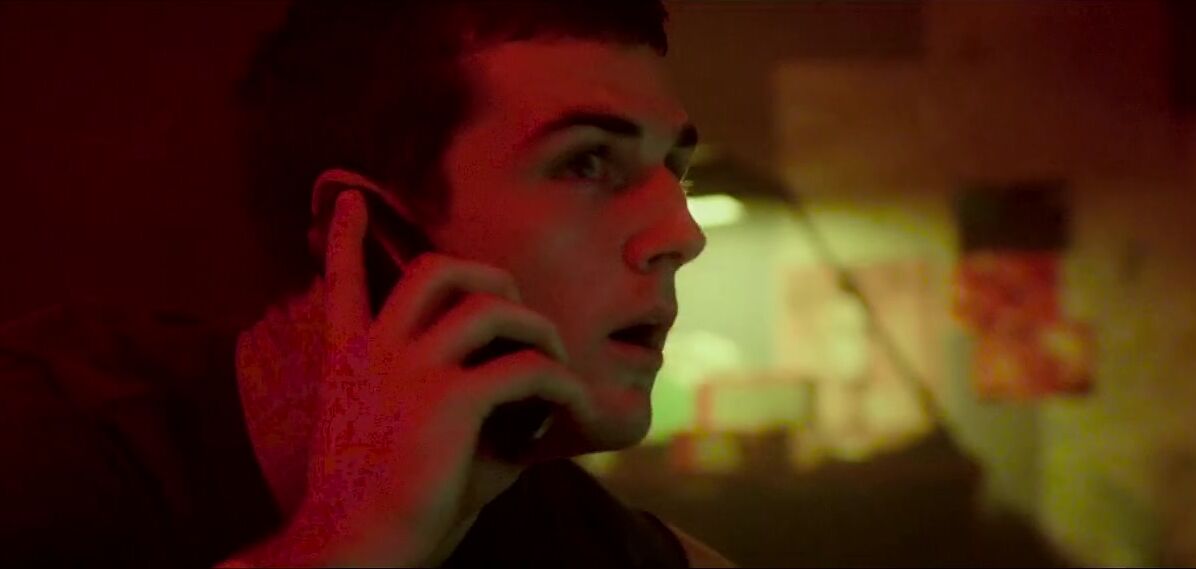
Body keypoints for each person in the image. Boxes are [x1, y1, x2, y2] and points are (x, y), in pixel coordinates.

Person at [0, 1, 734, 566]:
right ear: (370, 233)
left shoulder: (542, 512)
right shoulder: (42, 447)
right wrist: (356, 540)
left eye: (677, 174)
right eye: (586, 163)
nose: (682, 234)